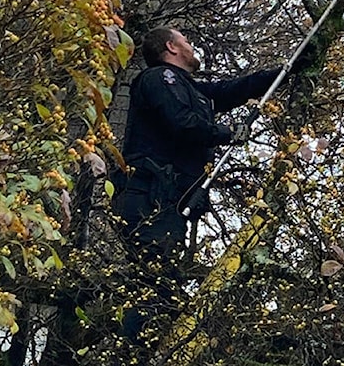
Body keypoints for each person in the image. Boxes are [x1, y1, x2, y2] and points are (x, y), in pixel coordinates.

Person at [112, 26, 284, 343]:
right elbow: (182, 123)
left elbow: (234, 89)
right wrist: (227, 132)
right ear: (171, 47)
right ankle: (131, 353)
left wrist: (284, 72)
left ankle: (143, 348)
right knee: (155, 286)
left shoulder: (192, 90)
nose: (192, 48)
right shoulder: (160, 79)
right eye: (187, 42)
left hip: (168, 204)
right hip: (150, 199)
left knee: (162, 287)